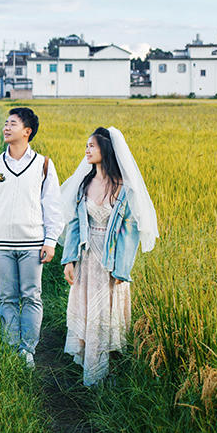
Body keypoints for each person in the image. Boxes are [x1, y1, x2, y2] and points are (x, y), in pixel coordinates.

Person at [58, 127, 158, 386]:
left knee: (106, 312)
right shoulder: (85, 183)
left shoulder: (124, 188)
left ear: (107, 150)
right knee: (89, 311)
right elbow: (75, 224)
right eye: (86, 145)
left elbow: (129, 230)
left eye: (92, 145)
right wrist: (69, 260)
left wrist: (120, 268)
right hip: (87, 258)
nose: (87, 150)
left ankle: (107, 374)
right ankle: (91, 373)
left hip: (110, 261)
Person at [0, 107, 62, 369]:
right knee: (7, 298)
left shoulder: (43, 165)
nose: (6, 127)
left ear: (27, 131)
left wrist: (51, 241)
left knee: (32, 296)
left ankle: (28, 350)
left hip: (32, 244)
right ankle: (12, 347)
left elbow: (53, 206)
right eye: (5, 123)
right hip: (1, 244)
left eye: (12, 123)